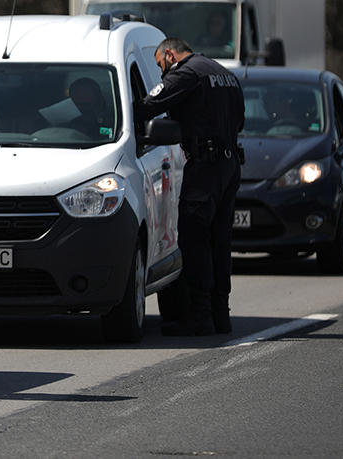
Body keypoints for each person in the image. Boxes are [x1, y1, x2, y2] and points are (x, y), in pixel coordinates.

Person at [134, 37, 245, 336]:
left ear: (169, 54)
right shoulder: (224, 73)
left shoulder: (186, 73)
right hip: (229, 165)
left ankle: (200, 316)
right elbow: (240, 121)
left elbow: (148, 106)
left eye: (160, 65)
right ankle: (221, 315)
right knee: (219, 242)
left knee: (195, 242)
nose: (161, 73)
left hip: (206, 168)